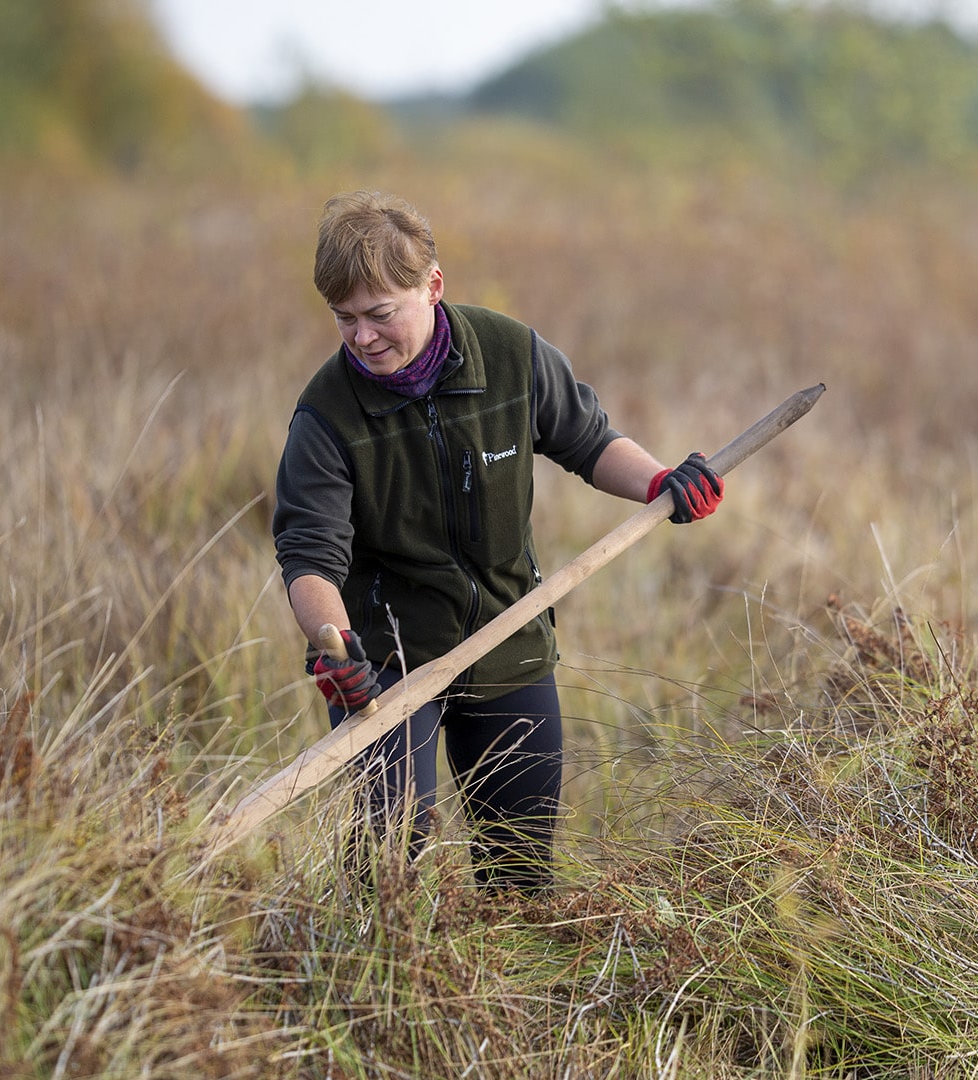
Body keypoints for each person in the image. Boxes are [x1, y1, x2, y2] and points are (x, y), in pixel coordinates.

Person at [273, 191, 724, 889]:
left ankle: (508, 990)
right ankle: (370, 983)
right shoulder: (326, 416)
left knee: (519, 862)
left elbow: (588, 440)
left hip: (508, 640)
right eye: (345, 319)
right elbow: (310, 558)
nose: (362, 337)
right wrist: (336, 648)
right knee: (391, 852)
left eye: (380, 315)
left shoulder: (511, 355)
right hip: (382, 663)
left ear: (433, 287)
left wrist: (662, 481)